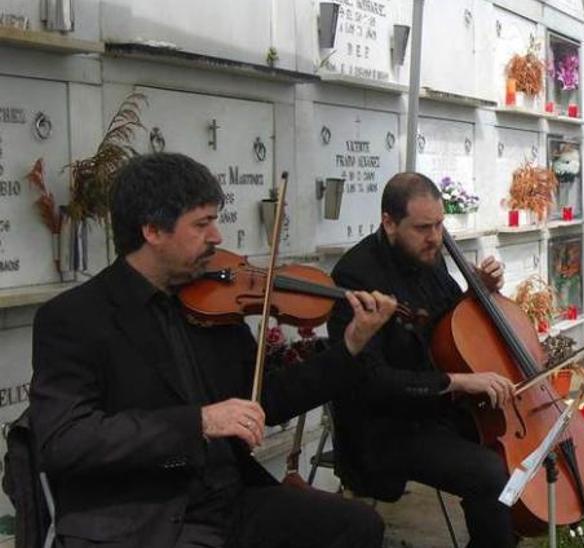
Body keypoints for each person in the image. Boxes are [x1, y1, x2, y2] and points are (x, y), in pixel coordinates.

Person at [29, 152, 392, 548]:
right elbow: (66, 441)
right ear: (152, 230)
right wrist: (197, 422)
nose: (217, 237)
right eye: (202, 224)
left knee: (357, 525)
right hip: (143, 516)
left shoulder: (213, 303)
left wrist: (352, 345)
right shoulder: (75, 317)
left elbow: (266, 399)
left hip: (228, 500)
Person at [328, 172, 522, 547]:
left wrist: (478, 291)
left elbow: (448, 323)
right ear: (388, 222)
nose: (435, 238)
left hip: (438, 410)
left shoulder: (429, 256)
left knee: (519, 456)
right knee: (489, 472)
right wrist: (459, 382)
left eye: (439, 225)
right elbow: (371, 381)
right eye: (422, 228)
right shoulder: (355, 274)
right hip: (387, 426)